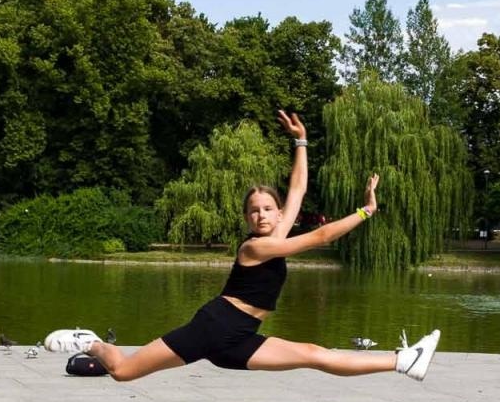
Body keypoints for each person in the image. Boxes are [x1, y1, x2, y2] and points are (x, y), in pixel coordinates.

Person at [84, 111, 440, 383]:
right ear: (247, 219)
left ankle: (403, 361)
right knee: (123, 372)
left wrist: (301, 142)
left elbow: (297, 189)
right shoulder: (253, 249)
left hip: (240, 336)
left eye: (268, 208)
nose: (261, 215)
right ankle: (91, 342)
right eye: (254, 211)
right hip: (213, 326)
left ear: (278, 212)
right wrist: (366, 211)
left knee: (313, 354)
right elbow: (320, 237)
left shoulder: (277, 237)